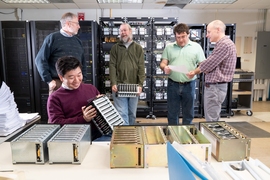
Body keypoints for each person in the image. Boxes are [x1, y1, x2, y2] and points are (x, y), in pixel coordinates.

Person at [187, 20, 237, 122]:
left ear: (218, 30)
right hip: (217, 87)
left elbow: (208, 65)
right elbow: (210, 63)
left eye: (209, 32)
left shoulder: (224, 45)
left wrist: (194, 71)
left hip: (215, 87)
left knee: (212, 120)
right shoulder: (225, 44)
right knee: (213, 117)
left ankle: (213, 138)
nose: (207, 35)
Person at [47, 56, 102, 141]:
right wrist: (83, 119)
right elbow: (57, 124)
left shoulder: (91, 88)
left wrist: (103, 103)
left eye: (79, 75)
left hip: (99, 133)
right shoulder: (55, 98)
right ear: (61, 77)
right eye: (71, 77)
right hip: (75, 137)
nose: (77, 80)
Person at [160, 23, 205, 125]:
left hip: (189, 84)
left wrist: (195, 72)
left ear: (188, 34)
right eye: (178, 37)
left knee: (188, 113)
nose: (180, 40)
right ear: (175, 36)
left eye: (183, 37)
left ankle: (186, 138)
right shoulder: (169, 47)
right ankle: (173, 136)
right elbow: (163, 63)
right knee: (172, 113)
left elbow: (202, 65)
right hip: (173, 84)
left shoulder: (196, 47)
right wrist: (164, 67)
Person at [35, 12, 86, 95]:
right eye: (77, 23)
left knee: (78, 107)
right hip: (59, 83)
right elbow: (40, 60)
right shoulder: (52, 38)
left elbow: (83, 62)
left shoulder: (77, 41)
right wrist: (49, 80)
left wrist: (83, 79)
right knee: (57, 107)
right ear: (68, 23)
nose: (79, 26)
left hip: (77, 83)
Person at [109, 23, 145, 125]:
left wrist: (140, 84)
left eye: (125, 30)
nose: (123, 33)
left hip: (134, 86)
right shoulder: (115, 48)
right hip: (119, 86)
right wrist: (113, 82)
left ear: (130, 31)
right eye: (121, 31)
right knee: (122, 114)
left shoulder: (138, 48)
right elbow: (112, 66)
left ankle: (131, 134)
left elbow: (141, 67)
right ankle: (125, 137)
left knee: (132, 114)